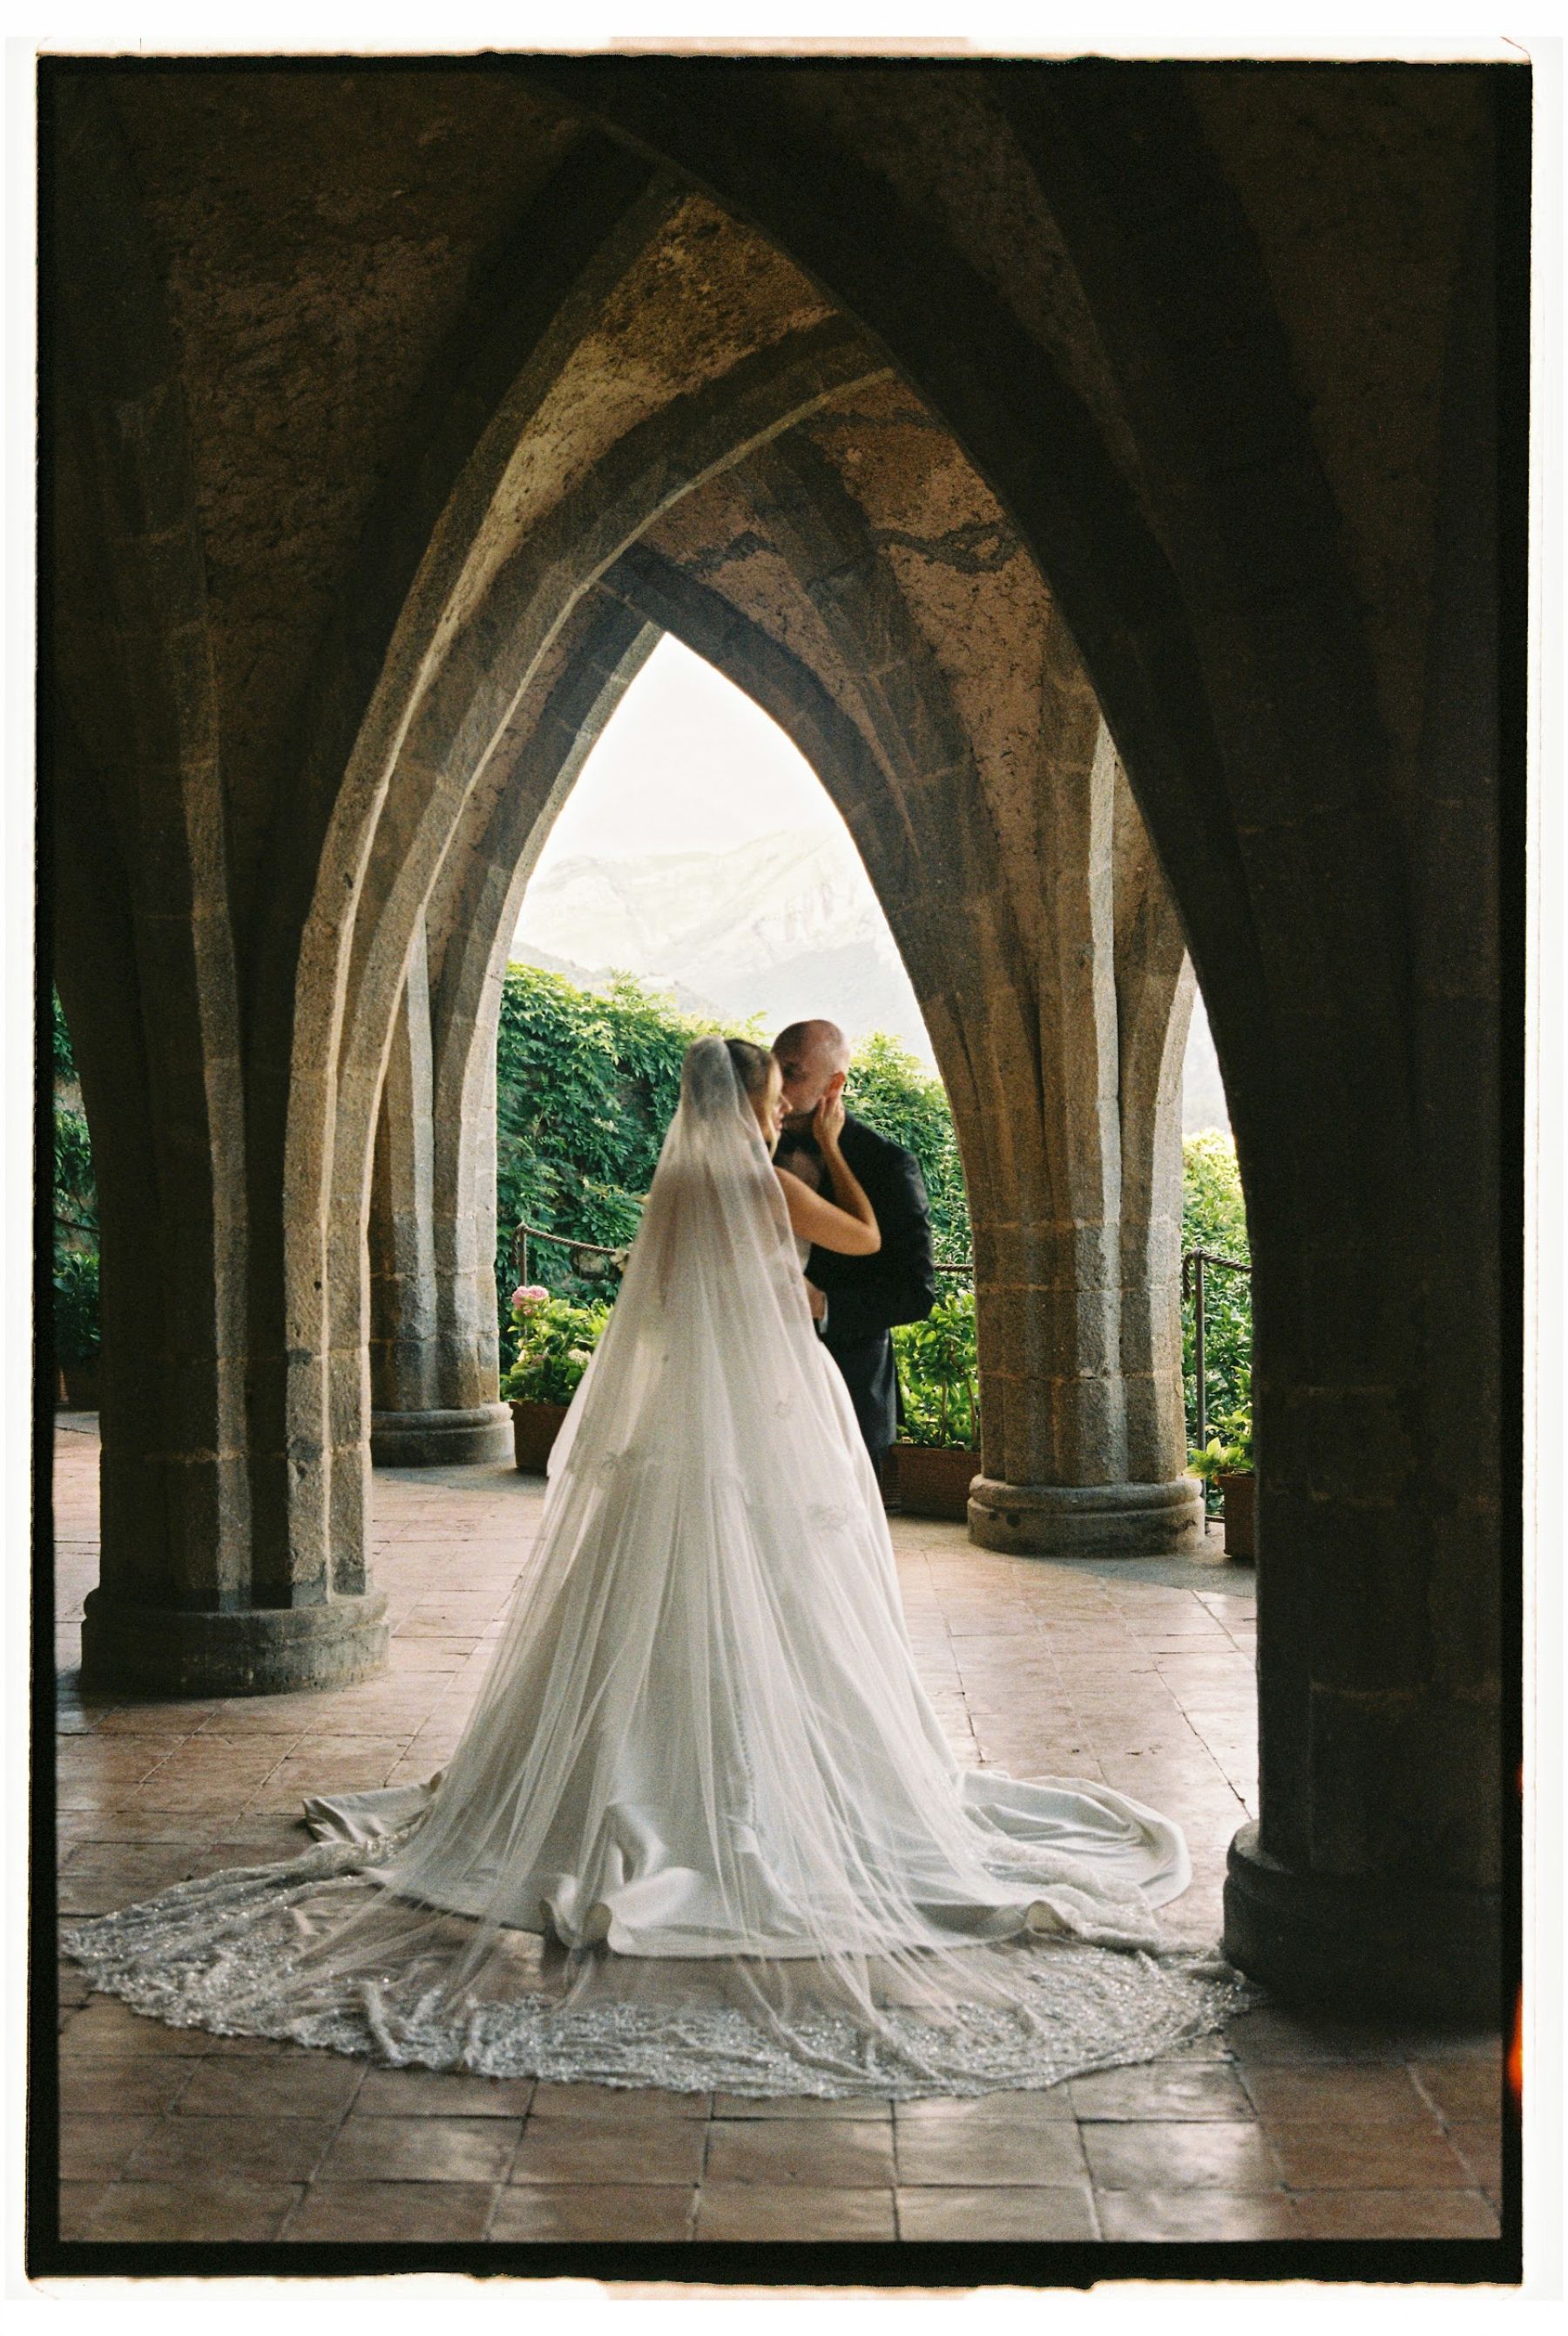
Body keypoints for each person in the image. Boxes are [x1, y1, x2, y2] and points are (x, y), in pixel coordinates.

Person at [63, 1037, 1250, 2099]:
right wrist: (828, 1158)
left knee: (662, 1601)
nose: (789, 1108)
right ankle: (751, 1780)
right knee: (780, 1603)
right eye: (778, 1097)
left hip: (679, 1433)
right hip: (770, 1430)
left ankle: (644, 1771)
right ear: (757, 1107)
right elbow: (873, 1242)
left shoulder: (672, 1193)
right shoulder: (774, 1183)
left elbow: (667, 1317)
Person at [771, 1019, 936, 1480]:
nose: (777, 1084)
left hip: (848, 1385)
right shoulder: (749, 1151)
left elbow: (915, 1293)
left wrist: (822, 1304)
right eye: (772, 1068)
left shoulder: (886, 1164)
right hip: (757, 1375)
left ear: (835, 1083)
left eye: (793, 1071)